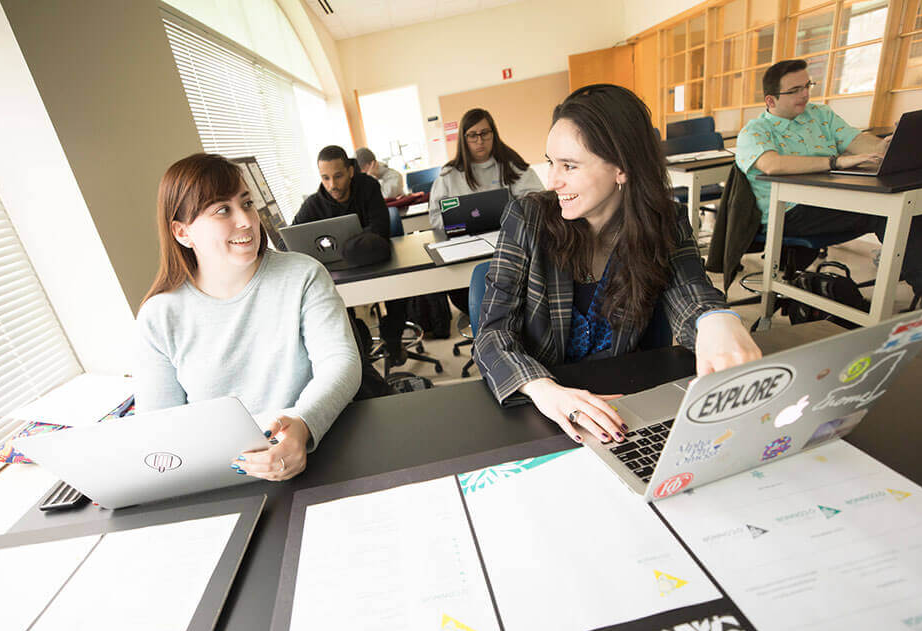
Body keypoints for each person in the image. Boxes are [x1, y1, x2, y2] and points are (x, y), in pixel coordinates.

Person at [473, 84, 762, 445]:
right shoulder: (527, 217)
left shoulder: (663, 220)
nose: (553, 180)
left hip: (625, 408)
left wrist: (715, 320)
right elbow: (492, 334)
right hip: (544, 410)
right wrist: (546, 390)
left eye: (569, 166)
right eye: (551, 162)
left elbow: (691, 290)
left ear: (621, 168)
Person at [135, 153, 361, 481]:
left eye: (247, 203)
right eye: (222, 210)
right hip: (220, 473)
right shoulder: (158, 315)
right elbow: (160, 424)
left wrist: (301, 425)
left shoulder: (302, 274)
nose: (246, 220)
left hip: (314, 451)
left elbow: (340, 362)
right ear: (182, 233)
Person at [735, 59, 922, 306]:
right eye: (794, 91)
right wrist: (835, 162)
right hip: (790, 212)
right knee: (884, 212)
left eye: (807, 86)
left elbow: (859, 142)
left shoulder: (820, 114)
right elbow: (772, 165)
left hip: (833, 199)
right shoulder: (754, 131)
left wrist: (888, 144)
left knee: (915, 203)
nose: (805, 94)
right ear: (771, 100)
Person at [294, 145, 409, 364]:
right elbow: (288, 239)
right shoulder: (314, 203)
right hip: (342, 275)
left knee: (400, 291)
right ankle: (361, 348)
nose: (332, 185)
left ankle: (393, 338)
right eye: (325, 178)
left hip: (380, 263)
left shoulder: (369, 187)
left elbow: (381, 229)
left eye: (338, 176)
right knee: (336, 311)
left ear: (350, 171)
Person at [429, 108, 544, 314]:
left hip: (511, 249)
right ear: (464, 139)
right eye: (472, 135)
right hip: (466, 250)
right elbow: (436, 218)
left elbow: (539, 203)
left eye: (485, 133)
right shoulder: (449, 175)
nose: (479, 141)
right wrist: (456, 224)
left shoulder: (513, 167)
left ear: (493, 134)